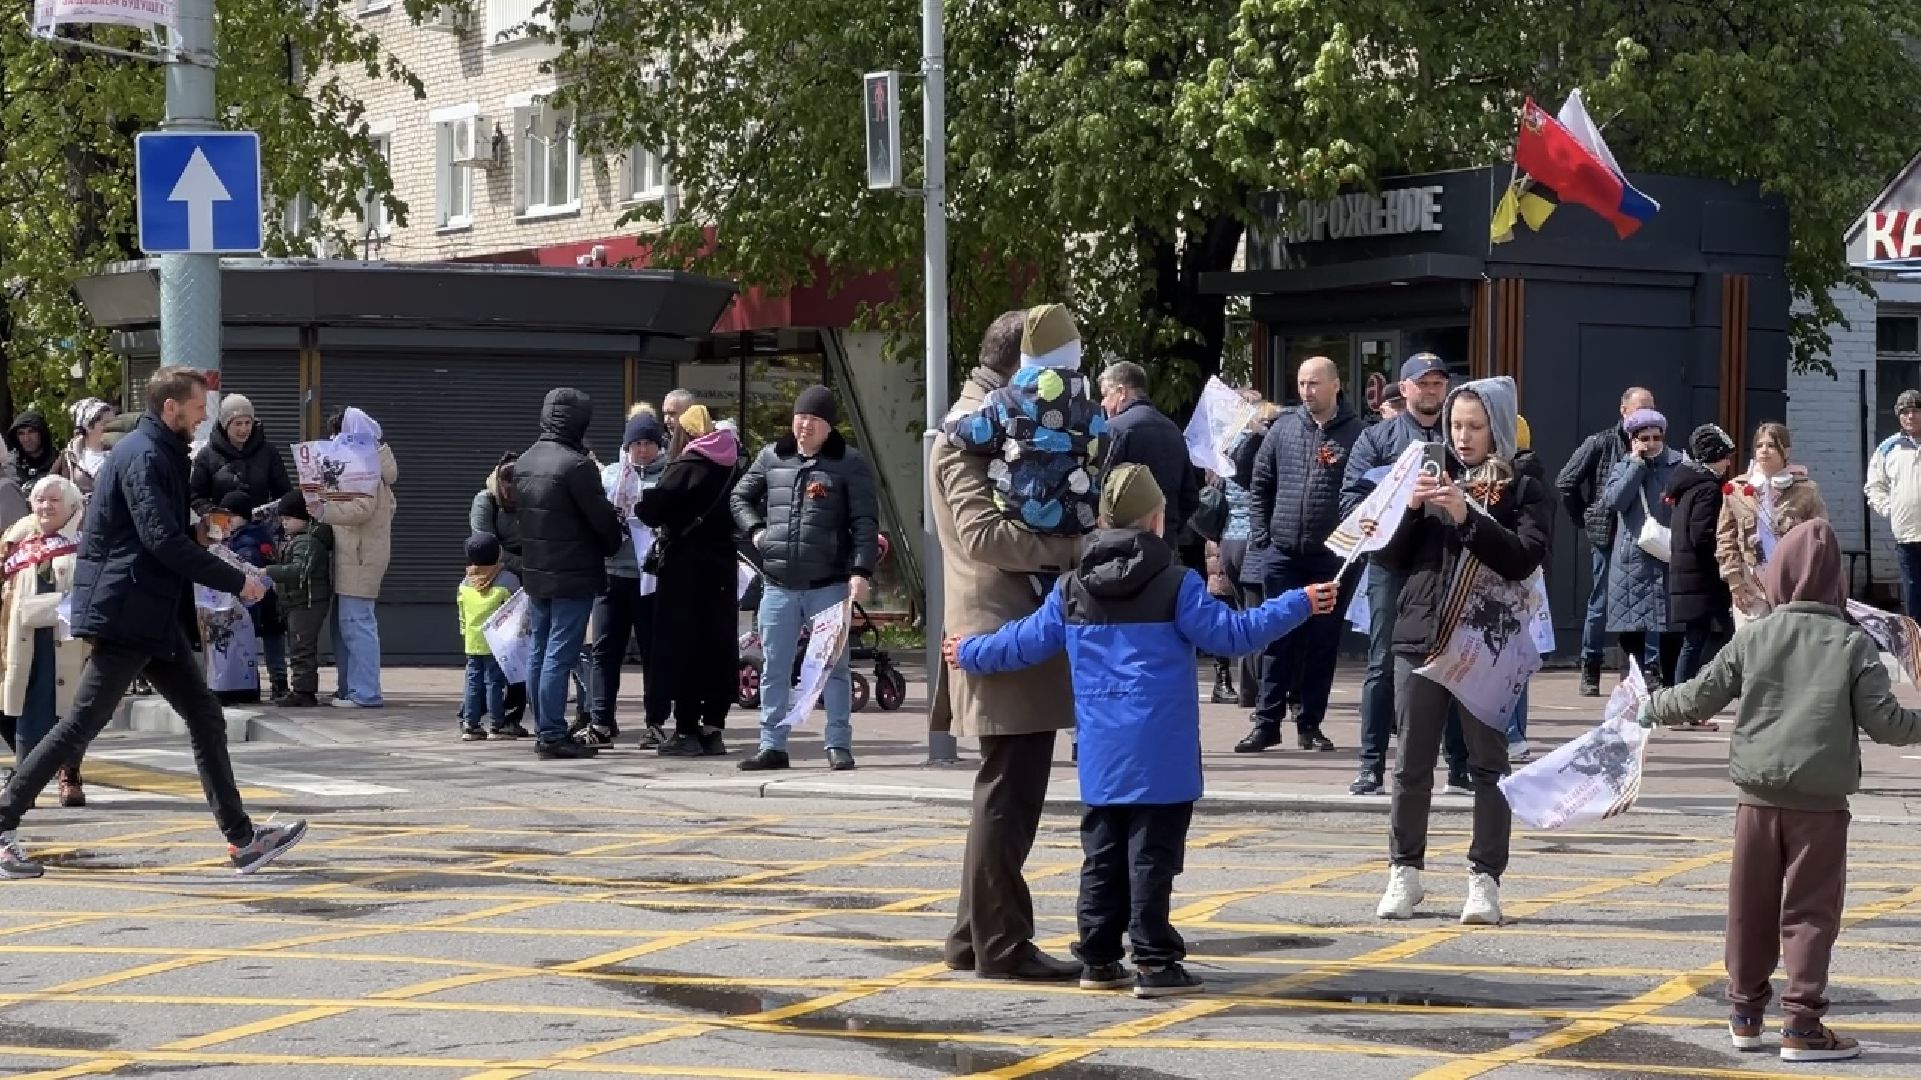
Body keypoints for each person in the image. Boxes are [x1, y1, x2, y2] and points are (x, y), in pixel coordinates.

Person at [947, 464, 1336, 999]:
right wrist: (1299, 603)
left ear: (1105, 519)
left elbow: (1021, 643)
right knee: (1152, 856)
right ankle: (1154, 961)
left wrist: (966, 652)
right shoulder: (1178, 584)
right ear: (1156, 520)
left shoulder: (1072, 588)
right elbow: (1235, 636)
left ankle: (1099, 957)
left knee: (1102, 852)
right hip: (1162, 747)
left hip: (1102, 747)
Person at [0, 367, 306, 881]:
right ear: (171, 408)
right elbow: (159, 541)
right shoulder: (143, 455)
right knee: (80, 724)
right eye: (197, 405)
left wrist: (204, 531)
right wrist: (238, 582)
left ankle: (243, 840)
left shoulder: (160, 452)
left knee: (205, 716)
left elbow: (166, 531)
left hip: (151, 611)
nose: (204, 414)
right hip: (128, 610)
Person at [1639, 518, 1921, 1063]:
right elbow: (1887, 725)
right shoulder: (1851, 644)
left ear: (1780, 576)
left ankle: (1745, 1014)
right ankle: (1802, 1024)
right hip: (1821, 803)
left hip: (1757, 799)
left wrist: (1649, 706)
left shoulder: (1756, 636)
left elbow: (1698, 697)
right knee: (1812, 912)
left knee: (1749, 906)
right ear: (1837, 581)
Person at [930, 311, 1084, 981]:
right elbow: (982, 538)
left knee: (1008, 789)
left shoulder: (1001, 416)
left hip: (1010, 626)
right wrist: (1079, 546)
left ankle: (972, 936)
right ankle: (1002, 946)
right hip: (997, 628)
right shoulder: (965, 428)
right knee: (1008, 794)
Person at [1373, 376, 1551, 927]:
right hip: (1422, 632)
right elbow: (1388, 557)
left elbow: (1524, 558)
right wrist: (1408, 508)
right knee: (1410, 762)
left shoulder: (1526, 483)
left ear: (1497, 426)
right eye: (1455, 426)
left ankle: (1484, 878)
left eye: (1475, 426)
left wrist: (1466, 517)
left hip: (1485, 640)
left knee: (1487, 764)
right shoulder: (1429, 474)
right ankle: (1405, 870)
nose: (1464, 436)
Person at [731, 384, 881, 772]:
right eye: (801, 417)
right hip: (779, 585)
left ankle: (838, 744)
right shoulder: (771, 457)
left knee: (833, 669)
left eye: (814, 419)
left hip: (828, 586)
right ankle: (773, 745)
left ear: (829, 427)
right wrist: (756, 532)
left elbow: (864, 522)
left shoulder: (849, 464)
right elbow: (739, 498)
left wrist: (861, 570)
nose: (805, 425)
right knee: (774, 668)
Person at [1338, 353, 1469, 797]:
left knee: (1450, 660)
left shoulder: (1460, 436)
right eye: (1424, 383)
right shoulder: (1376, 438)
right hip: (1392, 563)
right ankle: (1371, 765)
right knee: (1382, 664)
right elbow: (1350, 502)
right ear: (1405, 388)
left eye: (1439, 383)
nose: (1432, 391)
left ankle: (1460, 765)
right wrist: (1379, 505)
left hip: (1445, 561)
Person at [1240, 356, 1362, 754]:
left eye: (1315, 383)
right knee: (1277, 638)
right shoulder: (1283, 428)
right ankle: (1266, 723)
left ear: (1335, 385)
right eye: (1302, 383)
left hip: (1330, 559)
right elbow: (1260, 484)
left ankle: (1310, 723)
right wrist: (1263, 537)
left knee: (1321, 643)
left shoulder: (1357, 434)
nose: (1307, 391)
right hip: (1283, 553)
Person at [512, 388, 624, 760]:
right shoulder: (577, 467)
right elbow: (603, 524)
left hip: (537, 570)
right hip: (573, 572)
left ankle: (544, 729)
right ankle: (553, 734)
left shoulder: (526, 462)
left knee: (540, 652)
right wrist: (616, 529)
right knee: (560, 654)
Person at [940, 303, 1106, 539]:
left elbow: (977, 433)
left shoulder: (1005, 400)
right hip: (1074, 516)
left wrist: (951, 421)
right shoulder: (1094, 413)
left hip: (1016, 508)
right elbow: (1103, 458)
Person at [634, 404, 739, 757]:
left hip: (684, 570)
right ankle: (714, 729)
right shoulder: (733, 466)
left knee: (683, 647)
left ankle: (686, 730)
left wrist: (638, 502)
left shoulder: (686, 466)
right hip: (723, 569)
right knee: (719, 645)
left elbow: (652, 511)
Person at [1557, 387, 1657, 696]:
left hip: (1642, 537)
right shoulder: (1600, 442)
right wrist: (1586, 518)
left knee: (1644, 604)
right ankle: (1591, 666)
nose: (1645, 417)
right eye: (1639, 409)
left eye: (1650, 409)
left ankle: (1641, 671)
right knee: (1600, 603)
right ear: (1623, 411)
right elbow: (1566, 482)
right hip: (1609, 535)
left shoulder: (1656, 446)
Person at [0, 475, 90, 808]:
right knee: (24, 708)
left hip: (69, 641)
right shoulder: (19, 537)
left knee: (69, 712)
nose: (45, 507)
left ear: (71, 506)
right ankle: (25, 778)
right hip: (23, 641)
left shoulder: (86, 540)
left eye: (53, 501)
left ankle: (69, 775)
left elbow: (86, 594)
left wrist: (35, 609)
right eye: (39, 500)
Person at [588, 412, 672, 749]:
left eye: (648, 443)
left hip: (650, 578)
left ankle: (655, 722)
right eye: (636, 443)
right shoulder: (611, 476)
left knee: (655, 652)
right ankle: (600, 720)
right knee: (604, 651)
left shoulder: (667, 476)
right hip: (612, 573)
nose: (642, 450)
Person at [304, 407, 396, 710]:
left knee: (357, 624)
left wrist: (323, 510)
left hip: (360, 555)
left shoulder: (366, 465)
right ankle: (349, 688)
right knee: (346, 625)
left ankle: (365, 692)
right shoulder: (367, 463)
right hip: (353, 554)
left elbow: (361, 510)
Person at [1602, 408, 1683, 686]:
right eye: (1644, 438)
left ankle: (1671, 692)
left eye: (1655, 437)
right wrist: (1636, 466)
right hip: (1631, 560)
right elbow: (1614, 502)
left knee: (1672, 628)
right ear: (1632, 440)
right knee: (1631, 632)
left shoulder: (1678, 464)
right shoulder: (1624, 466)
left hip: (1667, 554)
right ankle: (1633, 695)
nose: (1650, 444)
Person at [1719, 422, 1828, 618]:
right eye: (1759, 445)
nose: (1764, 450)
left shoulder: (1805, 490)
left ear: (1785, 450)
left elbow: (1820, 538)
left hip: (1792, 579)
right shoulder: (1735, 489)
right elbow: (1726, 538)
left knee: (1788, 641)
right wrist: (1735, 580)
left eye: (1771, 445)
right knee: (1752, 642)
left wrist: (1811, 579)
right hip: (1752, 579)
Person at [1213, 401, 1278, 707]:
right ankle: (1261, 692)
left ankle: (1248, 691)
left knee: (1243, 617)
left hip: (1228, 540)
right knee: (1261, 619)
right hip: (1255, 541)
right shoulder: (1260, 447)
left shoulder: (1224, 448)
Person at [1097, 361, 1198, 542]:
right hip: (1166, 543)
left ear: (1121, 392)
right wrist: (1170, 528)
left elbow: (1100, 486)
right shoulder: (1173, 430)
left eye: (1105, 395)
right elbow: (1190, 496)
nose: (1102, 403)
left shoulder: (1114, 429)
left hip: (1123, 545)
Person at [1668, 424, 1737, 686]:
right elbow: (1702, 535)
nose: (1728, 463)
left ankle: (1684, 696)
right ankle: (1687, 698)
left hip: (1689, 576)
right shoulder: (1708, 489)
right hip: (1703, 578)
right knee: (1721, 636)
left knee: (1698, 637)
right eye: (1724, 457)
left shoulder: (1688, 485)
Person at [1503, 415, 1553, 763]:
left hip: (1513, 578)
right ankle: (1514, 735)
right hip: (1530, 578)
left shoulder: (1517, 480)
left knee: (1509, 657)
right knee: (1517, 658)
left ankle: (1512, 735)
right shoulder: (1537, 477)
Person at [262, 490, 332, 709]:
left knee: (301, 647)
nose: (284, 524)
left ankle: (304, 692)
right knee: (298, 645)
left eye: (288, 519)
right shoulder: (299, 540)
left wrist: (270, 571)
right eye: (282, 519)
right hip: (299, 601)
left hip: (307, 603)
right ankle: (301, 689)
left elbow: (299, 571)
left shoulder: (308, 542)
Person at [456, 533, 518, 741]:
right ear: (499, 554)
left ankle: (470, 725)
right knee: (495, 683)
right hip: (498, 643)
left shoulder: (465, 582)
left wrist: (465, 633)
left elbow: (462, 615)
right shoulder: (507, 580)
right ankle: (497, 726)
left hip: (472, 642)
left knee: (473, 683)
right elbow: (517, 610)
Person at [189, 394, 293, 517]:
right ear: (225, 425)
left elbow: (284, 493)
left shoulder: (269, 452)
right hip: (222, 529)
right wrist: (213, 514)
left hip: (260, 529)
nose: (244, 429)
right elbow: (197, 497)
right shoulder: (206, 455)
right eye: (238, 424)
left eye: (247, 423)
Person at [1865, 389, 1921, 619]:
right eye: (1905, 412)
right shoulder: (1888, 448)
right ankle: (1916, 645)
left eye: (1916, 411)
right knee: (1914, 593)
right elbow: (1874, 486)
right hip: (1907, 535)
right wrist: (1890, 508)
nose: (1910, 417)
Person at [469, 451, 524, 576]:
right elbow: (486, 549)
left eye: (518, 478)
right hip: (496, 571)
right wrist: (525, 566)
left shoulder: (533, 499)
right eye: (507, 478)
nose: (513, 485)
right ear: (497, 480)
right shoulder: (486, 501)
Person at [54, 398, 115, 498]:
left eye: (113, 422)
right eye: (105, 423)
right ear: (89, 426)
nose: (111, 427)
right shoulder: (70, 455)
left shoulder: (118, 452)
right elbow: (49, 484)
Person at [5, 411, 56, 489]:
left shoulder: (58, 463)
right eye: (21, 433)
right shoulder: (8, 466)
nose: (26, 439)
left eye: (31, 432)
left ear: (41, 433)